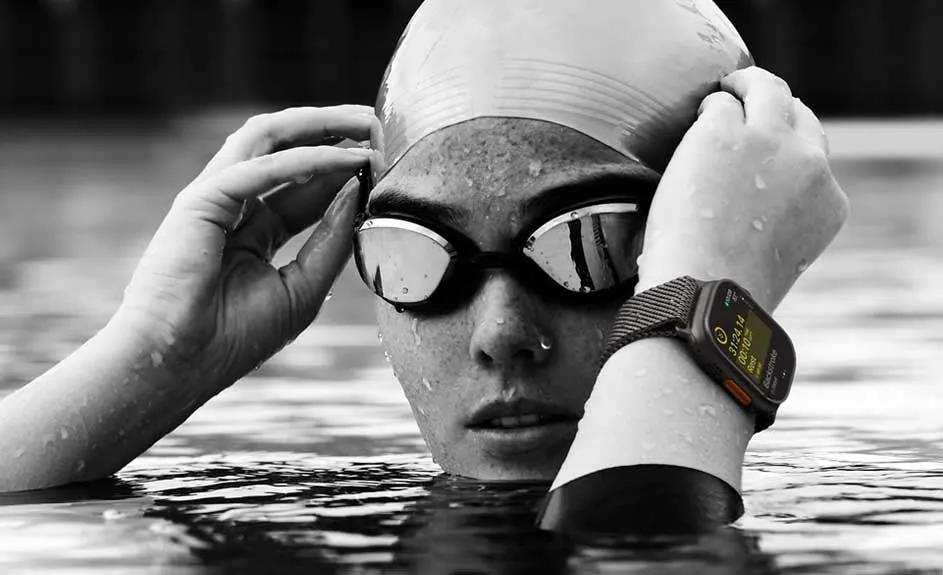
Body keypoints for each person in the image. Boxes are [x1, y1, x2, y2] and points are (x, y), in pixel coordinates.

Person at [0, 0, 847, 532]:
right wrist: (152, 358)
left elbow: (639, 553)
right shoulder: (309, 534)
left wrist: (694, 307)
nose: (500, 334)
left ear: (705, 242)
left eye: (588, 244)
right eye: (417, 254)